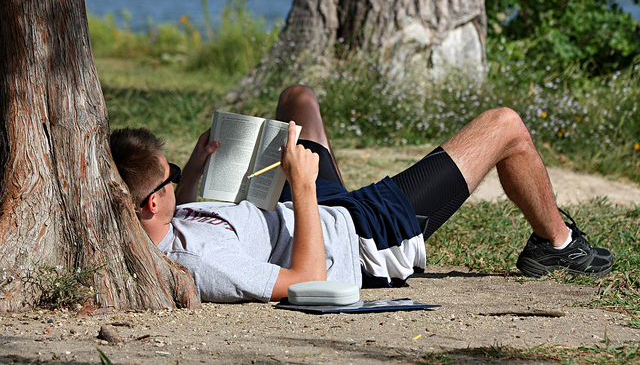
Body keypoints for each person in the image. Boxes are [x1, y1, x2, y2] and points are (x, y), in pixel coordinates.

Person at [110, 84, 613, 303]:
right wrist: (302, 186)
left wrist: (195, 170)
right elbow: (307, 277)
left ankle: (307, 165)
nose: (179, 180)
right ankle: (558, 246)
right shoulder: (201, 263)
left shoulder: (161, 225)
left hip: (314, 208)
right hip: (362, 232)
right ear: (154, 201)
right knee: (505, 127)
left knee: (298, 99)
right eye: (170, 175)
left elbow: (192, 214)